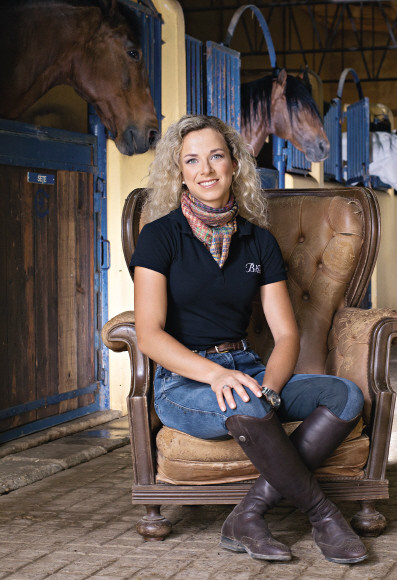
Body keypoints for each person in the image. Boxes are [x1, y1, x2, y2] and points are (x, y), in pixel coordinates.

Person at [131, 114, 368, 565]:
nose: (206, 170)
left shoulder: (258, 242)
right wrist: (216, 376)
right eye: (192, 160)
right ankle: (322, 515)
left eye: (216, 156)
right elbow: (149, 335)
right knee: (246, 403)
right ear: (178, 171)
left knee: (346, 396)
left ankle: (248, 514)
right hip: (183, 383)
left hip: (250, 371)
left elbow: (285, 334)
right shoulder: (160, 237)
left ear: (235, 164)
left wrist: (272, 390)